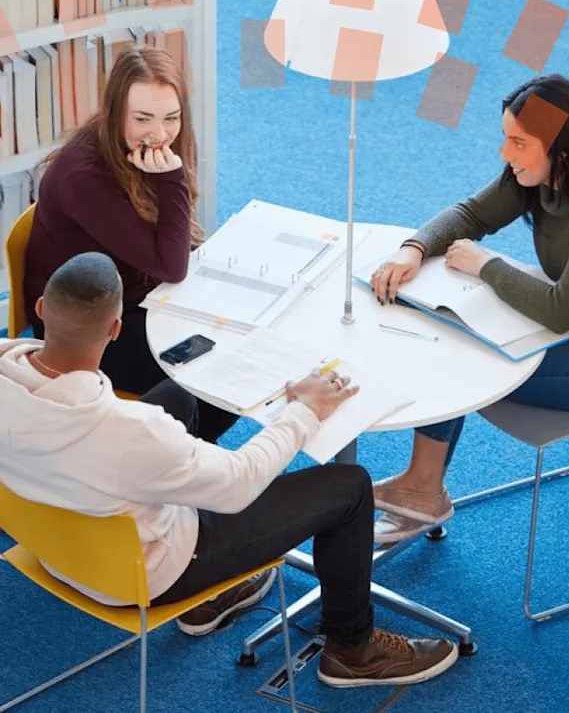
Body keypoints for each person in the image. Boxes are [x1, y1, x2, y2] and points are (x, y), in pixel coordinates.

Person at [0, 252, 459, 689]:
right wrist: (302, 411)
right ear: (117, 327)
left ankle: (222, 592)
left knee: (177, 396)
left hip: (55, 544)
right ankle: (353, 649)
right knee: (350, 487)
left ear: (41, 308)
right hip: (146, 570)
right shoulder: (131, 432)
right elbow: (239, 483)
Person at [370, 73, 569, 544]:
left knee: (463, 355)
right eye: (505, 139)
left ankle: (423, 490)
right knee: (452, 329)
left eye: (518, 142)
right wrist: (413, 247)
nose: (506, 154)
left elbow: (561, 312)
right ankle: (422, 487)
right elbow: (471, 214)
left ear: (562, 148)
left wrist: (487, 264)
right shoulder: (538, 175)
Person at [23, 47, 235, 442]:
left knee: (234, 342)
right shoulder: (83, 177)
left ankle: (184, 450)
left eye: (171, 117)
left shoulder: (142, 147)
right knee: (215, 376)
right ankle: (176, 458)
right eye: (142, 118)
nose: (159, 133)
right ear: (116, 111)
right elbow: (170, 266)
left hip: (136, 294)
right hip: (86, 328)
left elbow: (172, 251)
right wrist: (171, 179)